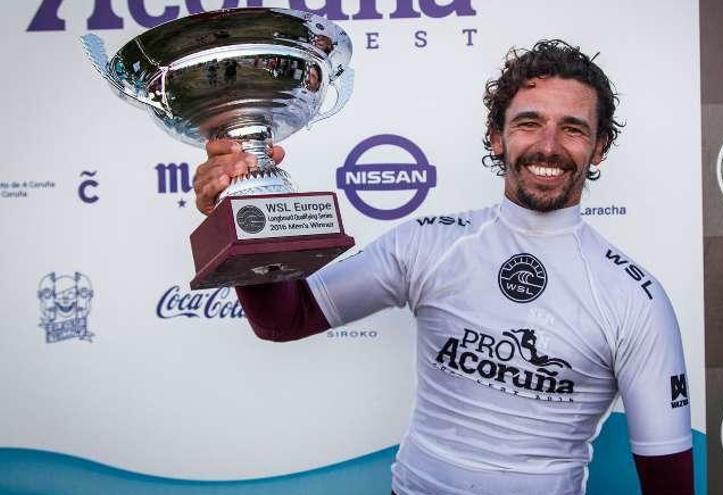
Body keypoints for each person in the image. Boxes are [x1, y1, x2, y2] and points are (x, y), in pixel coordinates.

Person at [194, 39, 694, 495]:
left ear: (599, 147)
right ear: (496, 137)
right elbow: (285, 319)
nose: (547, 146)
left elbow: (668, 482)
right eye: (528, 122)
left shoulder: (636, 299)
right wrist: (241, 205)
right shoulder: (429, 243)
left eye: (572, 128)